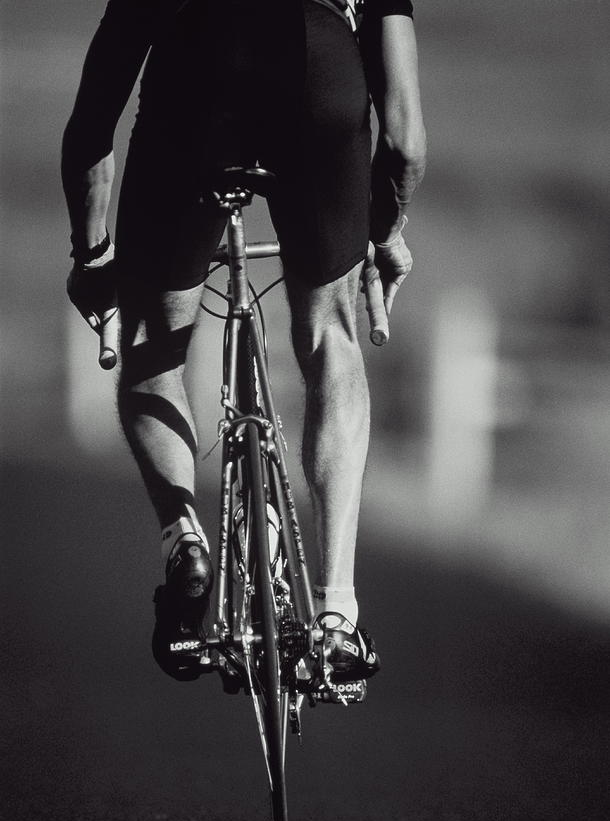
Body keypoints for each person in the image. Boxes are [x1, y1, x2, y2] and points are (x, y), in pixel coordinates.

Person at [62, 0, 426, 681]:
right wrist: (384, 234)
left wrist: (93, 258)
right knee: (331, 339)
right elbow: (404, 137)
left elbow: (92, 123)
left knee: (153, 348)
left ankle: (184, 539)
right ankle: (337, 615)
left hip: (196, 72)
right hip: (319, 64)